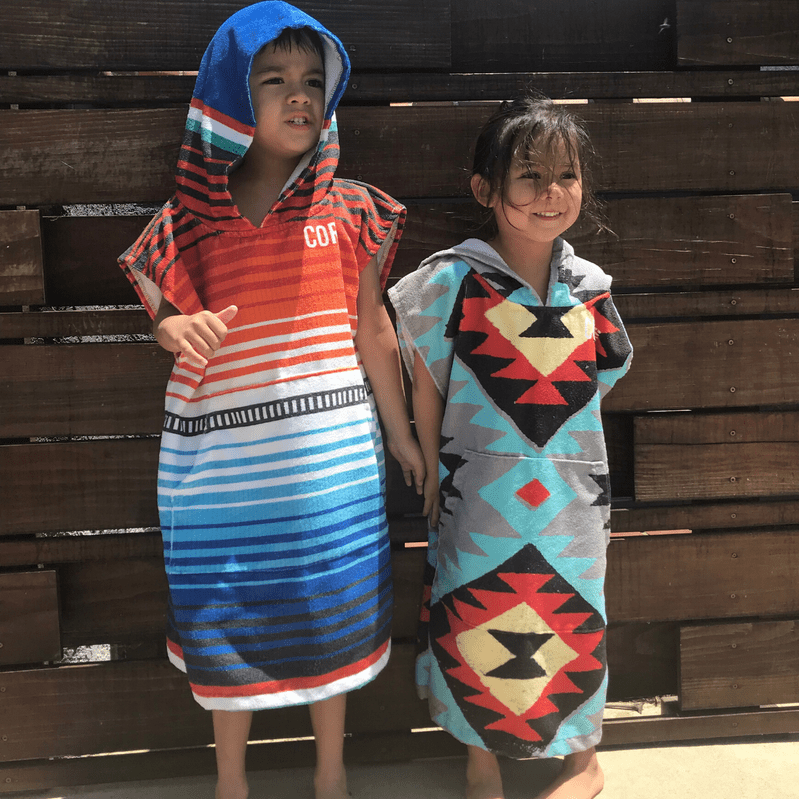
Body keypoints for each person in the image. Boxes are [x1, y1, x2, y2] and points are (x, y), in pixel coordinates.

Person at [118, 4, 425, 798]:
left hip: (331, 475)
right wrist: (175, 328)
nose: (298, 96)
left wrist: (401, 436)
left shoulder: (351, 213)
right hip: (223, 479)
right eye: (273, 80)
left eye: (313, 81)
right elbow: (163, 318)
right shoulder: (187, 224)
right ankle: (231, 781)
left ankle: (331, 773)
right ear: (227, 96)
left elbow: (374, 329)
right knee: (227, 624)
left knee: (329, 619)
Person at [388, 96, 633, 799]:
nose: (551, 192)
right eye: (530, 175)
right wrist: (431, 464)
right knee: (472, 612)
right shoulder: (451, 281)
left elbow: (600, 377)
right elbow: (428, 379)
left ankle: (582, 759)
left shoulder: (590, 290)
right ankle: (481, 761)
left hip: (571, 496)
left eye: (566, 175)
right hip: (476, 491)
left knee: (572, 612)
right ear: (485, 189)